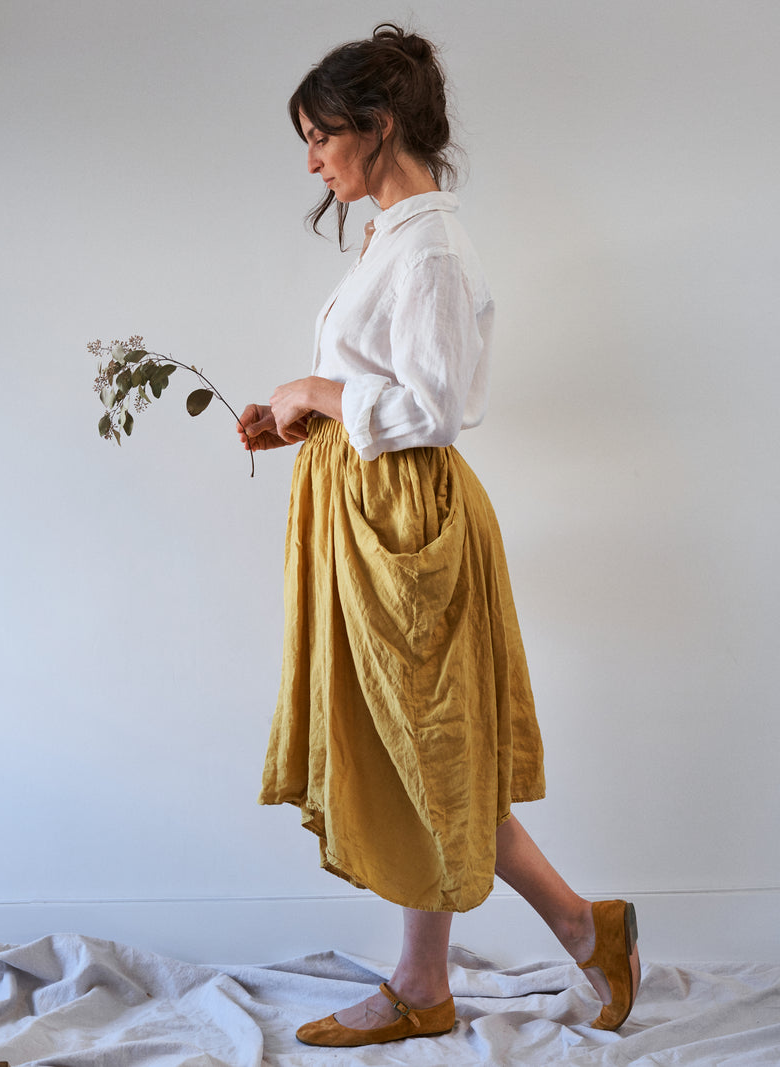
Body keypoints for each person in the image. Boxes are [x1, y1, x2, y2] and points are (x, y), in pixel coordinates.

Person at [237, 23, 640, 1049]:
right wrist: (299, 416)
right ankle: (468, 964)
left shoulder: (431, 247)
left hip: (406, 524)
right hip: (373, 511)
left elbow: (438, 403)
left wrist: (318, 388)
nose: (312, 159)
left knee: (429, 752)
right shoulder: (394, 238)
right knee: (414, 752)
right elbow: (380, 394)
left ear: (376, 127)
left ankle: (532, 941)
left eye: (320, 135)